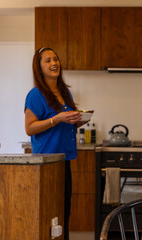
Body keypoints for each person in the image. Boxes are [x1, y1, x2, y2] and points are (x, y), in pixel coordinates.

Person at [24, 47, 87, 240]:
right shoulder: (35, 95)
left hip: (64, 159)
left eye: (56, 59)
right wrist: (58, 118)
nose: (54, 63)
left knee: (63, 212)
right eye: (48, 60)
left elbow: (63, 122)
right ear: (39, 67)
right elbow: (30, 128)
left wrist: (77, 120)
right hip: (46, 162)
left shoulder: (64, 92)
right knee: (50, 214)